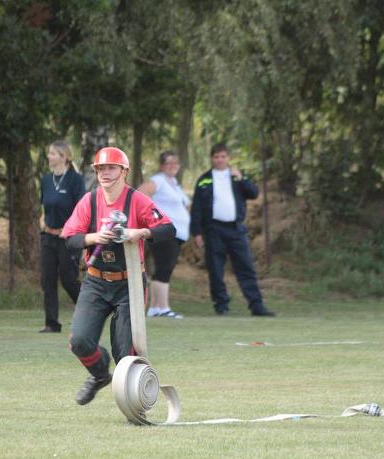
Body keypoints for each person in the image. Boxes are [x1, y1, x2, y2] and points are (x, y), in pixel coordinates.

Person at [61, 147, 176, 405]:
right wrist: (92, 237)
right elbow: (70, 239)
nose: (105, 173)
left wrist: (140, 233)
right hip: (95, 280)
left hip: (130, 284)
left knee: (126, 353)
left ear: (124, 171)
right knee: (79, 341)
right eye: (101, 169)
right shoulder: (89, 201)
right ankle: (100, 374)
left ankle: (136, 407)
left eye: (111, 168)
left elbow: (168, 229)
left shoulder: (137, 200)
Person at [190, 143, 275, 317]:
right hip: (213, 230)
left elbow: (254, 193)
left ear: (228, 158)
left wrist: (242, 178)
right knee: (215, 269)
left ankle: (256, 305)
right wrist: (197, 232)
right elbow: (197, 207)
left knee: (246, 267)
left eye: (223, 156)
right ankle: (221, 306)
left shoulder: (237, 177)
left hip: (236, 230)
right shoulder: (205, 179)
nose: (220, 160)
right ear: (212, 159)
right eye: (216, 157)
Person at [39, 141, 85, 333]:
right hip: (48, 237)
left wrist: (71, 231)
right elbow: (45, 205)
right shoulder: (46, 180)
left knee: (68, 279)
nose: (49, 157)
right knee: (47, 279)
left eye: (53, 154)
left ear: (64, 157)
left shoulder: (75, 179)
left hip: (68, 238)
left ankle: (89, 310)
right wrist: (42, 221)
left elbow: (81, 209)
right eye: (49, 153)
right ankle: (51, 323)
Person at [137, 150, 190, 319]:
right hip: (164, 232)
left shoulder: (174, 183)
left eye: (175, 163)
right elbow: (140, 193)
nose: (172, 166)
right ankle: (162, 307)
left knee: (164, 268)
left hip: (176, 235)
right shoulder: (158, 181)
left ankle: (155, 307)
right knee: (164, 268)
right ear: (162, 166)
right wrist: (153, 217)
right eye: (168, 163)